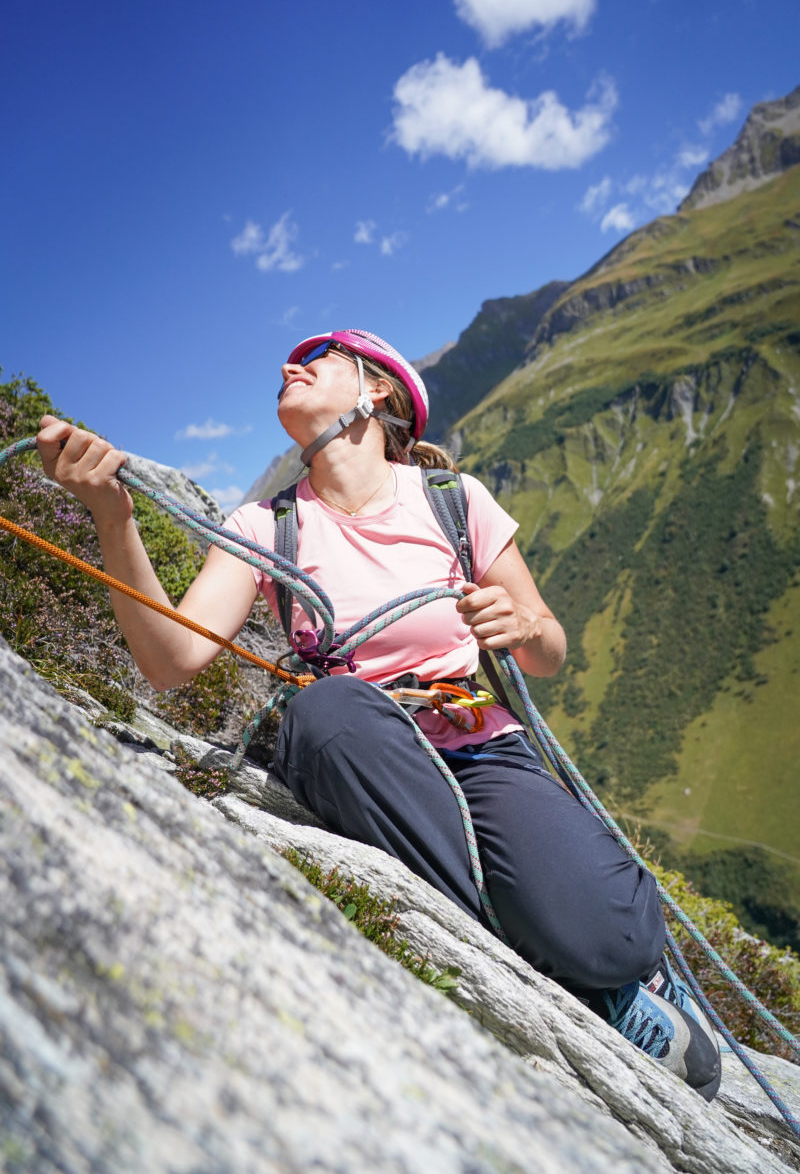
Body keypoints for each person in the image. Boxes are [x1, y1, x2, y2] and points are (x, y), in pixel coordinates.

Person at [36, 328, 720, 1099]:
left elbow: (549, 648)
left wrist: (524, 627)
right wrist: (111, 516)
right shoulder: (265, 527)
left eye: (316, 360)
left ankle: (626, 967)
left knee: (615, 936)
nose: (290, 367)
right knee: (326, 711)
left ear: (378, 392)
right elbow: (170, 661)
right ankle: (591, 990)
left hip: (482, 747)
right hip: (367, 753)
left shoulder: (453, 503)